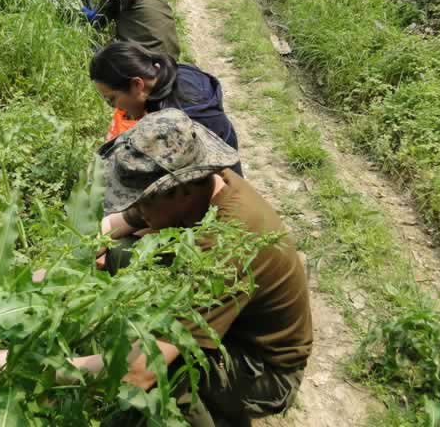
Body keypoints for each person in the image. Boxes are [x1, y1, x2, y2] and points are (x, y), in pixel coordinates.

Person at [96, 109, 313, 426]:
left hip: (261, 368)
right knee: (124, 253)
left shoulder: (226, 244)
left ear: (181, 191)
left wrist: (42, 367)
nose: (134, 207)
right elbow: (125, 221)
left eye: (140, 199)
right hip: (230, 320)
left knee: (168, 372)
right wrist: (81, 253)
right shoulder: (207, 184)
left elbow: (137, 370)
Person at [89, 40, 243, 176]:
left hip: (219, 184)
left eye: (112, 99)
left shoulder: (174, 121)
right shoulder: (176, 73)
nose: (115, 107)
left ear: (137, 84)